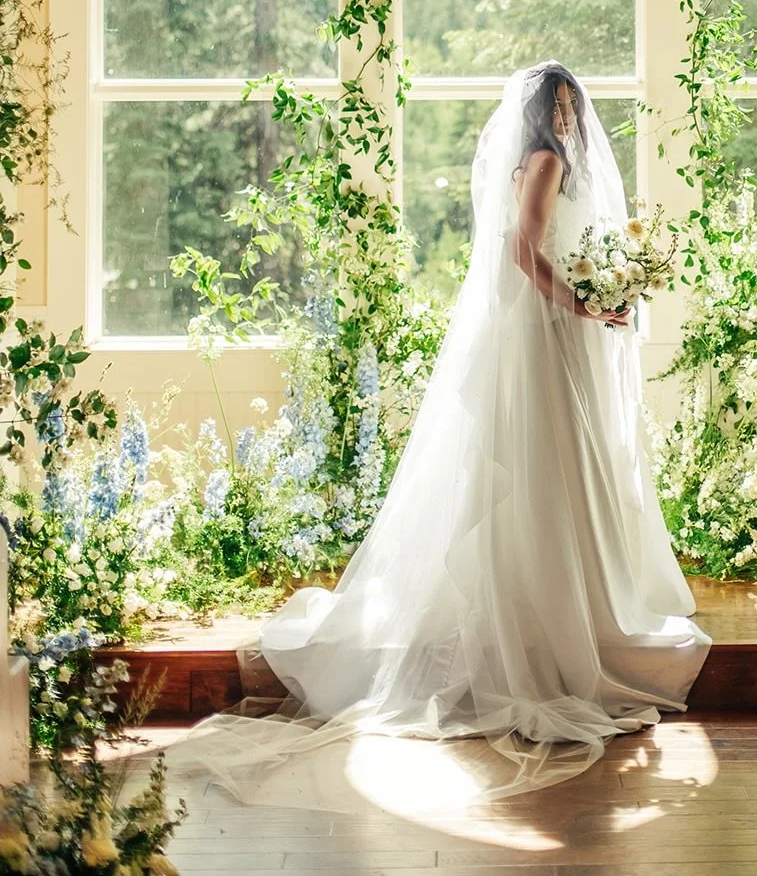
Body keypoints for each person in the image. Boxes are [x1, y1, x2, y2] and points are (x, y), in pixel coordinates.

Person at [174, 62, 710, 808]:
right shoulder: (548, 161)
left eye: (569, 105)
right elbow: (525, 251)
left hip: (542, 328)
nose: (564, 117)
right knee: (542, 464)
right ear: (533, 114)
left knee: (542, 468)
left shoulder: (542, 159)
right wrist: (585, 305)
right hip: (541, 333)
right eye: (553, 106)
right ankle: (547, 620)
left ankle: (543, 607)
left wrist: (598, 287)